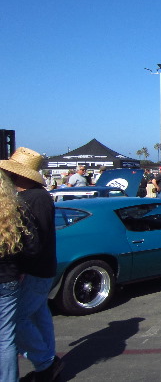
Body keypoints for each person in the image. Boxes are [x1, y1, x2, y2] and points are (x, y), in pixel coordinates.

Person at [0, 148, 63, 381]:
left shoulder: (31, 199)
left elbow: (33, 242)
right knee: (39, 314)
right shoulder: (40, 197)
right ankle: (47, 362)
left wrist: (23, 267)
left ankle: (46, 361)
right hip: (43, 267)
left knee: (18, 320)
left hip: (35, 270)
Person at [0, 171, 28, 381]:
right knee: (6, 338)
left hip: (9, 276)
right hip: (8, 276)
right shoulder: (13, 210)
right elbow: (25, 246)